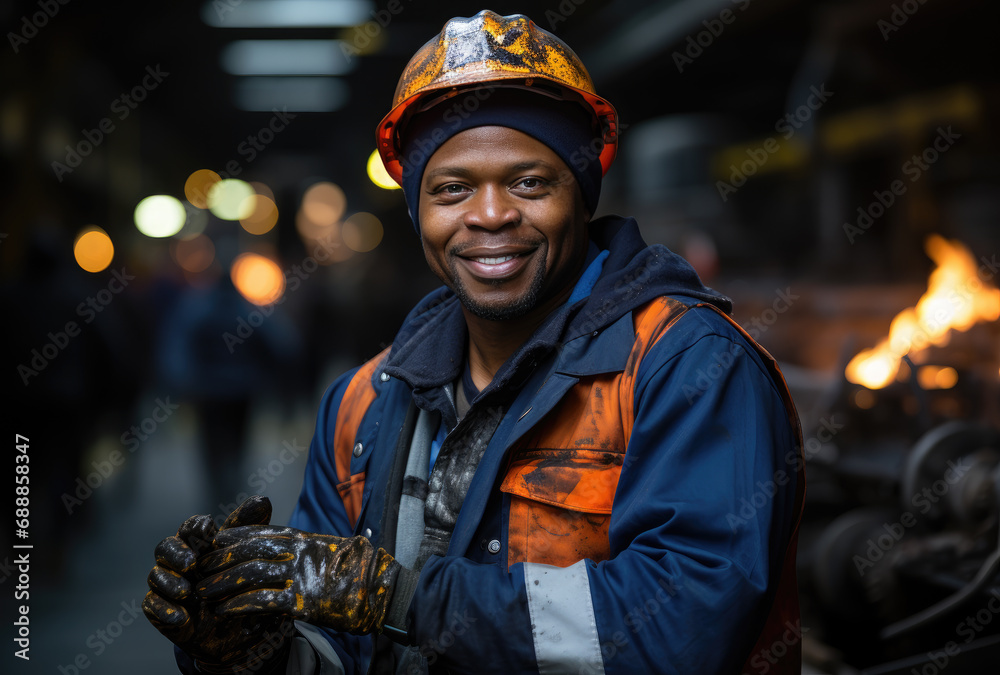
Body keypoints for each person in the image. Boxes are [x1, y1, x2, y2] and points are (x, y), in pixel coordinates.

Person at [143, 10, 805, 675]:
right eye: (453, 188)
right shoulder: (363, 405)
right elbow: (339, 655)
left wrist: (401, 598)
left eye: (529, 182)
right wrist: (249, 651)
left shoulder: (690, 367)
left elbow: (683, 632)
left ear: (581, 193)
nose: (490, 215)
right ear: (419, 211)